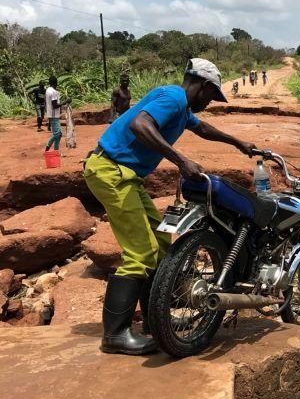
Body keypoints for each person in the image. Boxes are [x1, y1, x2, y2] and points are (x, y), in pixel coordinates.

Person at [83, 58, 256, 355]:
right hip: (111, 171)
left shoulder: (182, 108)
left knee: (162, 242)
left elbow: (203, 129)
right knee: (141, 253)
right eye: (212, 96)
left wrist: (238, 143)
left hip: (127, 177)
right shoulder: (173, 97)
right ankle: (115, 335)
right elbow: (140, 124)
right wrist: (181, 160)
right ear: (202, 86)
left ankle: (155, 321)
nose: (210, 102)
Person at [44, 76, 62, 152]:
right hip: (54, 114)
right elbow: (55, 105)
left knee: (58, 134)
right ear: (56, 82)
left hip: (51, 114)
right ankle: (47, 148)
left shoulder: (48, 90)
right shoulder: (53, 92)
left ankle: (56, 151)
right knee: (57, 134)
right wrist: (65, 102)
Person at [61, 81, 77, 149]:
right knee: (70, 131)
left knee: (71, 131)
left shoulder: (68, 106)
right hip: (69, 120)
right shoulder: (67, 106)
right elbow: (68, 115)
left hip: (70, 120)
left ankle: (72, 143)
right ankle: (69, 143)